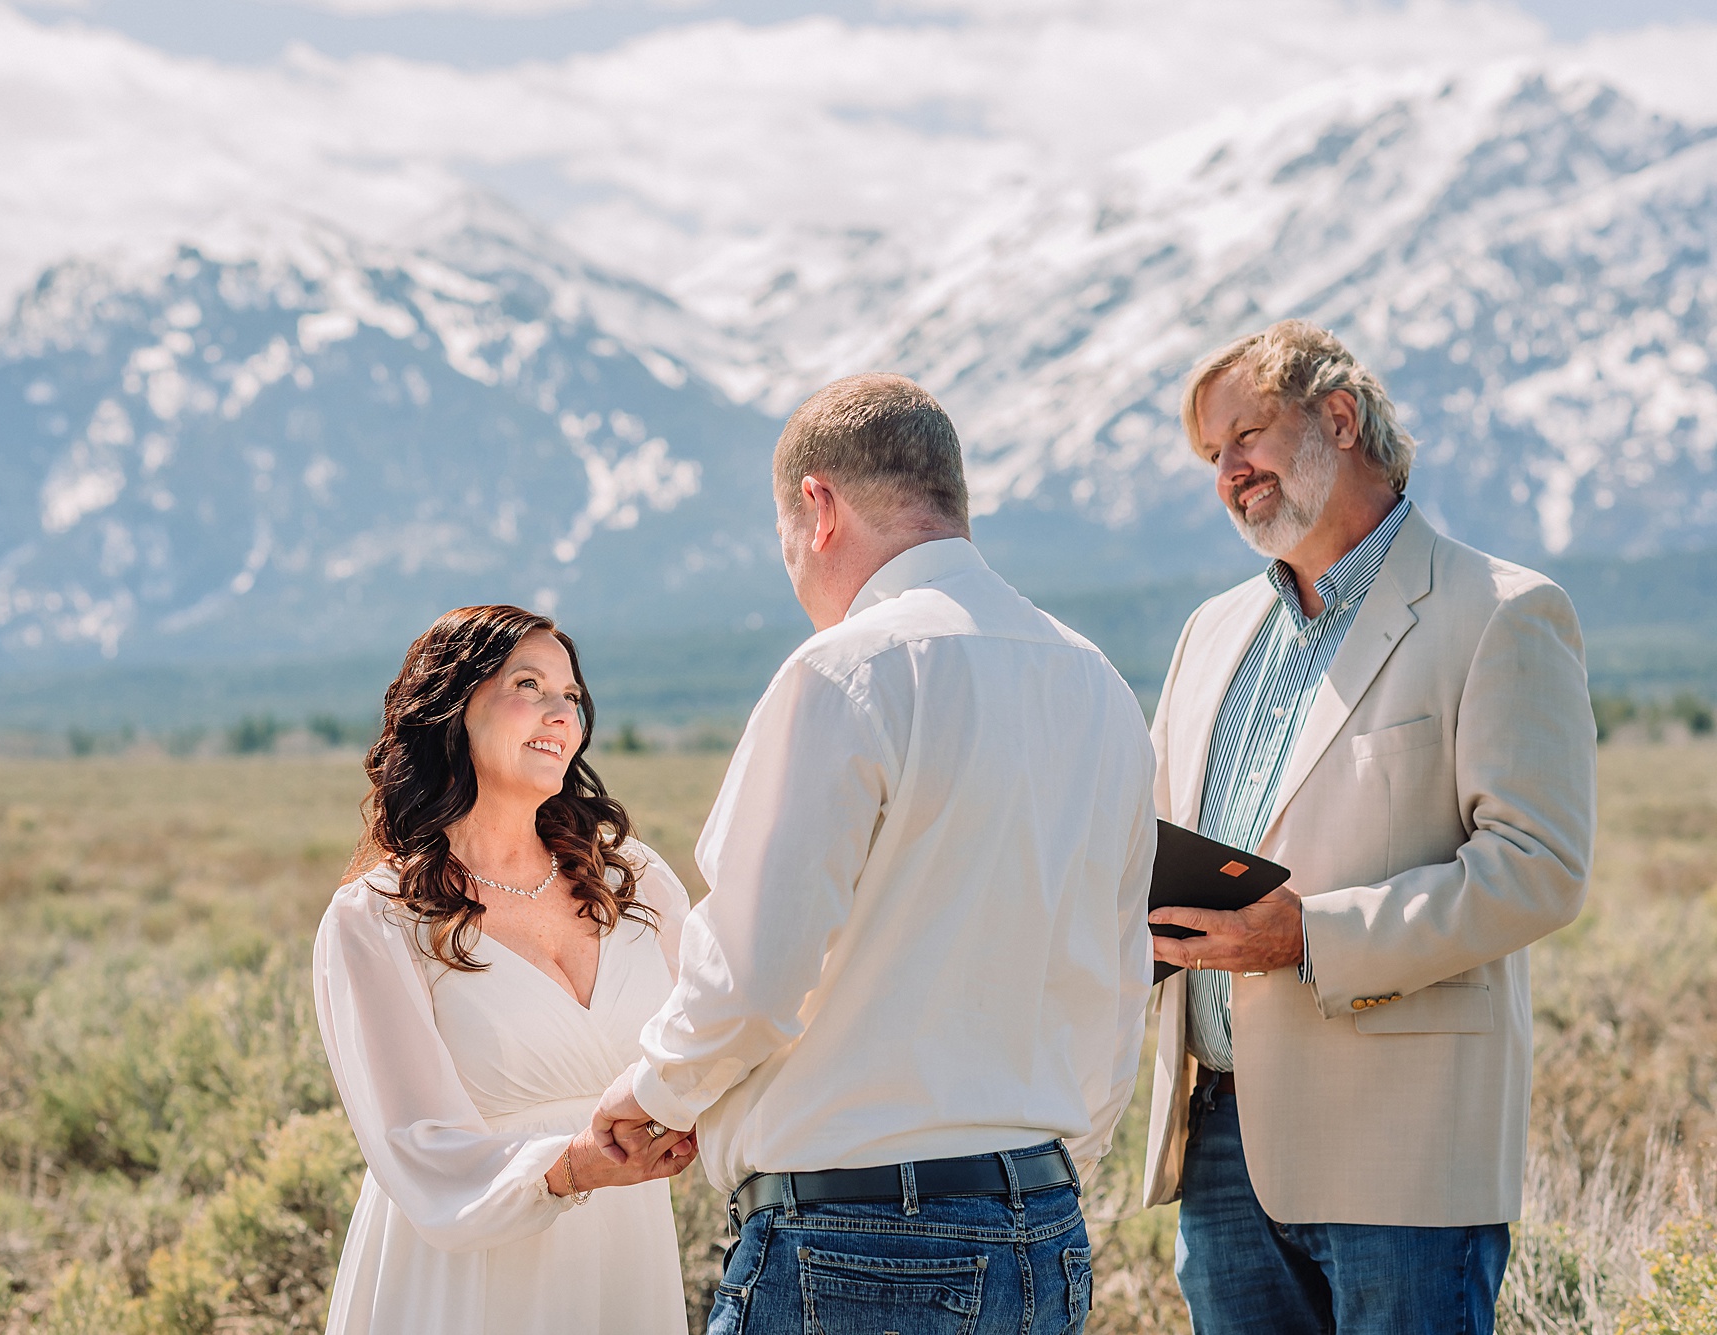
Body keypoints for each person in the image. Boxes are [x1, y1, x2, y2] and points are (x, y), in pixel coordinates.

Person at [589, 373, 1156, 1334]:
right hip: (1044, 1224)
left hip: (853, 1243)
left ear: (818, 507)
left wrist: (652, 1089)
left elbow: (756, 972)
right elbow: (1120, 971)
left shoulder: (847, 670)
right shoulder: (1096, 682)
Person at [1141, 320, 1595, 1334]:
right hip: (1216, 1143)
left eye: (1245, 435)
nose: (1228, 473)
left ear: (1338, 419)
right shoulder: (1206, 635)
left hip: (1403, 1157)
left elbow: (1538, 870)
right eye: (1212, 456)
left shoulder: (1500, 613)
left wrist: (1311, 936)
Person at [312, 604, 700, 1335]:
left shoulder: (635, 880)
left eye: (573, 697)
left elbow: (720, 1031)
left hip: (622, 1255)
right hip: (460, 1277)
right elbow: (419, 1145)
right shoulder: (376, 918)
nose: (561, 715)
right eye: (530, 684)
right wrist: (576, 1165)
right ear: (452, 712)